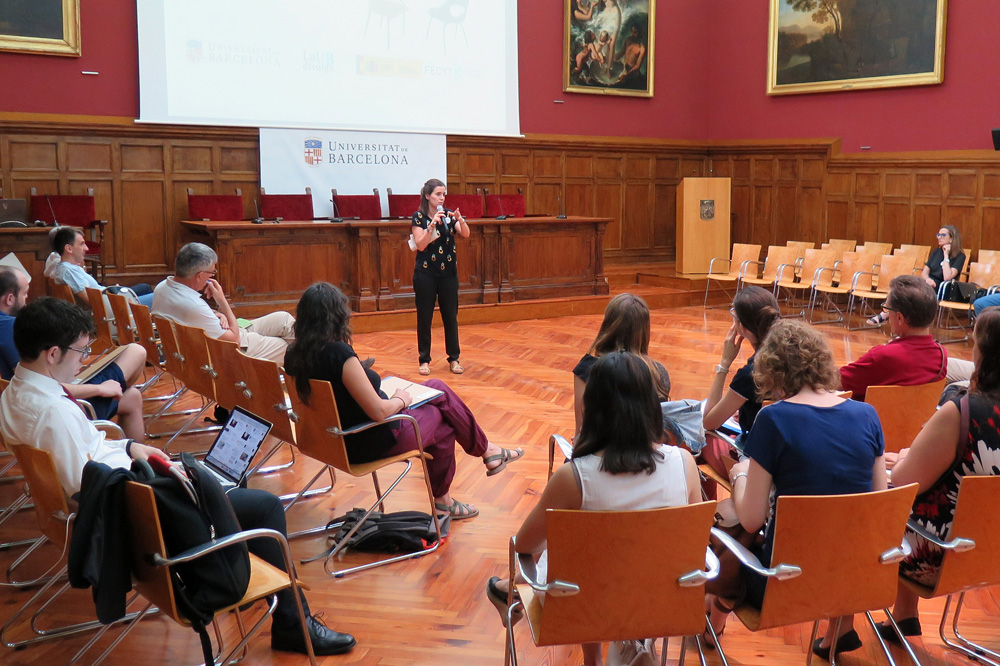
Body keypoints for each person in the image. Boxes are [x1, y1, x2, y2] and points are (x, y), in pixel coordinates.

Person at [0, 297, 356, 656]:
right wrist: (162, 476)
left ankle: (242, 581)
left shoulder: (16, 393)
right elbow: (89, 487)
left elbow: (87, 459)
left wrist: (131, 448)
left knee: (230, 484)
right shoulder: (53, 412)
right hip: (142, 518)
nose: (83, 360)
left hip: (116, 499)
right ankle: (290, 622)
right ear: (52, 354)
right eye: (81, 351)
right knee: (264, 506)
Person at [485, 351, 701, 666]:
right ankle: (642, 645)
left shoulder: (573, 477)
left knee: (576, 562)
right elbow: (693, 545)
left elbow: (524, 546)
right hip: (663, 607)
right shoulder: (685, 464)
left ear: (593, 408)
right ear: (652, 406)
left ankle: (592, 659)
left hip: (582, 611)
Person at [706, 320, 887, 660]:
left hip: (784, 581)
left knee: (733, 533)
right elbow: (877, 506)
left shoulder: (774, 420)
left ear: (771, 371)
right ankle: (838, 628)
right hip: (854, 577)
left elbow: (752, 518)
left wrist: (740, 476)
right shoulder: (867, 414)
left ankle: (712, 620)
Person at [283, 282, 523, 521]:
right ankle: (461, 483)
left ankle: (482, 459)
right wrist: (399, 399)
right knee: (443, 420)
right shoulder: (339, 354)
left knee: (437, 388)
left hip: (328, 439)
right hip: (367, 439)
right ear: (336, 317)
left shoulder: (294, 354)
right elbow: (378, 412)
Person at [876, 308, 1000, 645]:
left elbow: (905, 481)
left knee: (882, 504)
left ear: (985, 354)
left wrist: (906, 458)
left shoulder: (963, 411)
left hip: (946, 555)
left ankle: (839, 628)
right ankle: (904, 615)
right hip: (993, 552)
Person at [0, 268, 148, 441]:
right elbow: (39, 383)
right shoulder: (9, 327)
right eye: (25, 294)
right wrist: (100, 389)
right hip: (55, 402)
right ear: (9, 299)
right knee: (136, 351)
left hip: (22, 406)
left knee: (132, 396)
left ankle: (134, 450)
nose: (27, 300)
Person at [152, 242, 296, 364]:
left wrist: (216, 313)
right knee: (292, 348)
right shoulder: (194, 306)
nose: (212, 276)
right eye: (211, 272)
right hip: (229, 352)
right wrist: (222, 302)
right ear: (200, 275)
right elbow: (234, 341)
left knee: (283, 318)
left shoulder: (162, 287)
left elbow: (190, 315)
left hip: (215, 340)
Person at [572, 293, 670, 438]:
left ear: (608, 325)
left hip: (599, 449)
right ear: (644, 330)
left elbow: (582, 429)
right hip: (646, 449)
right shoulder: (658, 372)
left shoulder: (586, 369)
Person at [839, 275, 947, 401]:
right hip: (919, 414)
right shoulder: (941, 355)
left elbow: (834, 381)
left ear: (899, 318)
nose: (886, 314)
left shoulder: (883, 356)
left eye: (887, 308)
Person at [702, 286, 781, 440]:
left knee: (705, 438)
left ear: (741, 327)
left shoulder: (751, 374)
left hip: (761, 448)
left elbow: (708, 423)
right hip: (795, 441)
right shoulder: (797, 354)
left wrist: (724, 363)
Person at [410, 179, 470, 376]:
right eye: (438, 194)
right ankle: (424, 360)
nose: (442, 198)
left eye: (443, 194)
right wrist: (431, 226)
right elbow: (420, 245)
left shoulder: (448, 215)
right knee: (424, 317)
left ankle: (454, 358)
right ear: (427, 196)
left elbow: (466, 234)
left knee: (450, 316)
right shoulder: (419, 217)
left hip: (448, 274)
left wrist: (460, 220)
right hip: (426, 273)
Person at [44, 226, 154, 307]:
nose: (86, 248)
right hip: (116, 309)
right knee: (159, 295)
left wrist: (113, 290)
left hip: (113, 303)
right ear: (69, 248)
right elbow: (93, 303)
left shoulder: (68, 268)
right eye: (82, 244)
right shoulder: (68, 271)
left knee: (149, 289)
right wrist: (114, 294)